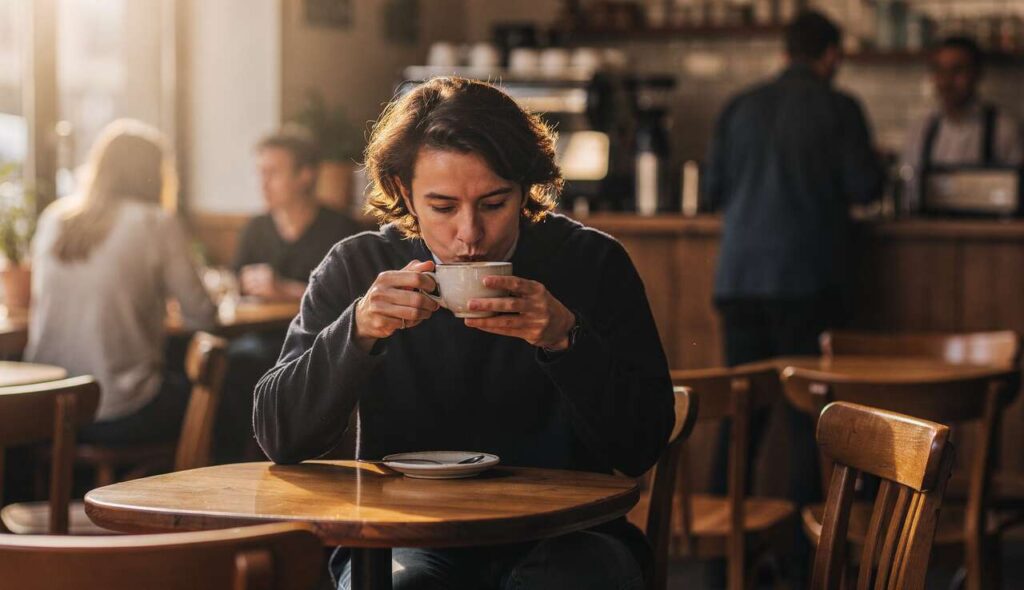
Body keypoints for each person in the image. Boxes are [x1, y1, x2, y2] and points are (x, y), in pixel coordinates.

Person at [253, 77, 674, 590]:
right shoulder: (357, 266)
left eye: (494, 203)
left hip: (569, 534)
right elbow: (279, 436)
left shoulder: (592, 263)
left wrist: (567, 339)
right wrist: (358, 329)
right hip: (404, 534)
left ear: (524, 189)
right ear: (405, 193)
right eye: (444, 207)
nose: (470, 235)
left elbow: (641, 445)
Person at [704, 11, 883, 585]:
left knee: (740, 416)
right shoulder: (839, 107)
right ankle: (808, 563)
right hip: (806, 281)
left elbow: (712, 191)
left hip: (739, 281)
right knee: (811, 419)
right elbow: (866, 187)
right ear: (830, 55)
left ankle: (716, 561)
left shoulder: (740, 105)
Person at [26, 119, 216, 445]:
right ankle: (193, 492)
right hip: (118, 410)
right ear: (157, 173)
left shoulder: (55, 218)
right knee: (219, 387)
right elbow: (202, 315)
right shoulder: (156, 222)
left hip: (46, 411)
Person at [214, 126, 361, 463]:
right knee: (228, 358)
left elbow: (352, 304)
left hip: (317, 342)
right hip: (259, 333)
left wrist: (283, 289)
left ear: (305, 176)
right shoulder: (257, 228)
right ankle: (232, 463)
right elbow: (233, 283)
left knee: (241, 361)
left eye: (273, 173)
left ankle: (266, 456)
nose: (263, 183)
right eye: (260, 173)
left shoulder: (341, 230)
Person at [901, 36, 1024, 205]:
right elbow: (909, 189)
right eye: (940, 71)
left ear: (977, 74)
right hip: (929, 227)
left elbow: (1017, 193)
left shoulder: (1003, 129)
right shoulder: (921, 129)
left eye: (957, 71)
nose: (946, 81)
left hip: (987, 229)